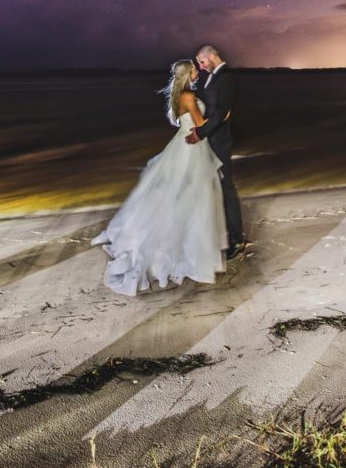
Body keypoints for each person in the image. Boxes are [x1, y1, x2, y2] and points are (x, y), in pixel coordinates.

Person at [91, 60, 228, 296]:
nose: (197, 72)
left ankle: (188, 243)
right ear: (187, 74)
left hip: (184, 145)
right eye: (194, 70)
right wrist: (223, 117)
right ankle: (185, 250)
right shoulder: (186, 96)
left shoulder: (180, 95)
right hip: (190, 149)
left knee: (185, 197)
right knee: (194, 196)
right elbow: (201, 124)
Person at [186, 45, 244, 258]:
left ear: (211, 56)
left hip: (219, 141)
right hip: (210, 138)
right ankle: (214, 233)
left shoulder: (226, 77)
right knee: (212, 188)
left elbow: (221, 112)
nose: (200, 67)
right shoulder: (212, 77)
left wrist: (200, 132)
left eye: (201, 62)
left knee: (226, 188)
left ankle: (237, 240)